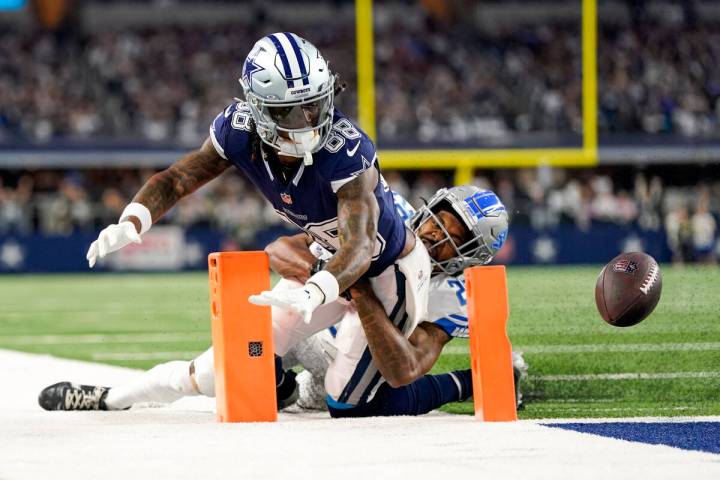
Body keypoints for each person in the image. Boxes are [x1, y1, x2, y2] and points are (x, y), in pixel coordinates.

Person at [42, 32, 432, 412]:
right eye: (290, 111)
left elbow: (361, 247)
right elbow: (177, 178)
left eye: (314, 105)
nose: (307, 120)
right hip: (328, 264)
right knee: (218, 371)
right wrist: (132, 219)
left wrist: (314, 291)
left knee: (344, 398)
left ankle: (313, 363)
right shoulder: (239, 130)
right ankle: (113, 398)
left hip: (387, 274)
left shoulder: (346, 150)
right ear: (258, 108)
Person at [39, 187, 527, 415]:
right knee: (215, 373)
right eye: (437, 220)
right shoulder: (387, 221)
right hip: (320, 321)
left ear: (470, 256)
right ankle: (108, 399)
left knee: (352, 402)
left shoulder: (449, 292)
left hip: (363, 361)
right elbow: (279, 250)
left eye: (449, 237)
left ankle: (471, 381)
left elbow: (405, 365)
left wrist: (356, 288)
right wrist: (332, 275)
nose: (431, 233)